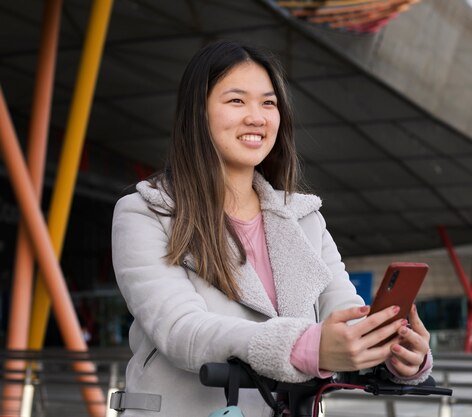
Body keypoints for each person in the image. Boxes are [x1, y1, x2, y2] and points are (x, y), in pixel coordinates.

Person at [111, 39, 432, 417]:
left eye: (268, 103)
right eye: (236, 101)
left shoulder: (304, 219)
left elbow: (344, 310)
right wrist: (307, 345)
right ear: (197, 113)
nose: (257, 117)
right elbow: (183, 331)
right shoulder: (146, 213)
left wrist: (393, 351)